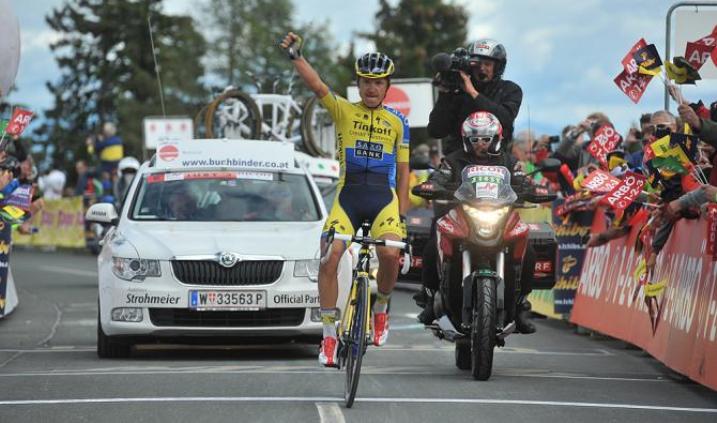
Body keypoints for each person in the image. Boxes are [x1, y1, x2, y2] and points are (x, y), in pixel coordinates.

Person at [280, 32, 410, 367]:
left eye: (378, 83)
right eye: (366, 82)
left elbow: (404, 170)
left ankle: (380, 308)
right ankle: (328, 336)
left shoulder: (398, 122)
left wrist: (404, 218)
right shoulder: (343, 111)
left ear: (387, 86)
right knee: (331, 257)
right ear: (358, 84)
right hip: (348, 197)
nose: (371, 88)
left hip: (384, 199)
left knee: (390, 254)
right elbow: (318, 86)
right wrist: (296, 57)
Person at [417, 111, 537, 333]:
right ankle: (430, 298)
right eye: (475, 139)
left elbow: (523, 180)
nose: (480, 144)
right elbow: (439, 177)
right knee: (433, 243)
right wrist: (432, 185)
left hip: (501, 215)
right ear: (466, 140)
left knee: (528, 249)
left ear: (497, 138)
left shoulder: (509, 161)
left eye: (485, 138)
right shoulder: (453, 160)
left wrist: (533, 189)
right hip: (464, 216)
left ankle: (521, 304)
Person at [428, 38, 522, 154]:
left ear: (498, 67)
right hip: (459, 161)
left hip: (498, 160)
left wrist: (472, 92)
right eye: (476, 64)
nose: (481, 68)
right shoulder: (457, 91)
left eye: (487, 64)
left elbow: (506, 118)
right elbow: (436, 131)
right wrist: (444, 94)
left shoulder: (510, 89)